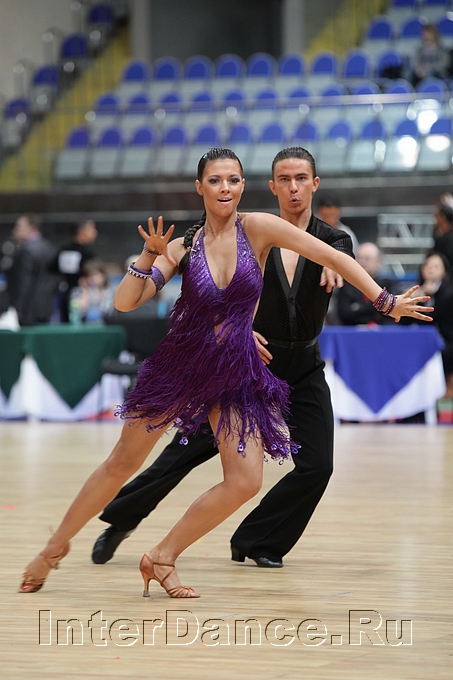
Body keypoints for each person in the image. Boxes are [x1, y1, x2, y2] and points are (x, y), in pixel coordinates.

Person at [19, 148, 432, 598]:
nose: (225, 188)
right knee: (124, 461)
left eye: (233, 180)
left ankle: (162, 556)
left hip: (232, 370)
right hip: (181, 366)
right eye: (215, 180)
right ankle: (52, 550)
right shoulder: (183, 246)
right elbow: (125, 302)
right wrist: (147, 256)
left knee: (245, 480)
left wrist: (385, 301)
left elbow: (332, 255)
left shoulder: (258, 228)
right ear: (200, 187)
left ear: (243, 186)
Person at [91, 146, 354, 569]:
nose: (293, 188)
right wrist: (236, 333)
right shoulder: (251, 233)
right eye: (284, 180)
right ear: (271, 186)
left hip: (303, 367)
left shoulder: (332, 238)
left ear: (315, 184)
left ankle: (258, 540)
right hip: (242, 366)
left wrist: (340, 269)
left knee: (318, 465)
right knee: (181, 454)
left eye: (301, 179)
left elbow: (339, 258)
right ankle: (121, 519)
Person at [402, 252, 453, 398]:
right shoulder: (416, 291)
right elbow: (404, 321)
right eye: (427, 266)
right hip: (422, 341)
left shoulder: (448, 293)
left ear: (444, 271)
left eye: (436, 266)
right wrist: (412, 299)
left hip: (446, 341)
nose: (430, 269)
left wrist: (422, 299)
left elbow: (431, 319)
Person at [6, 214, 59, 326]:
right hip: (46, 307)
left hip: (28, 309)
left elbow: (23, 281)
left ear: (32, 228)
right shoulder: (50, 247)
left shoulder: (26, 251)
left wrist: (19, 308)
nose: (15, 230)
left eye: (19, 227)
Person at [337, 242, 397, 326]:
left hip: (383, 330)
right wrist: (378, 307)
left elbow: (392, 313)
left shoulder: (389, 284)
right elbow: (344, 313)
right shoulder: (346, 285)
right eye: (359, 258)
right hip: (353, 330)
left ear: (378, 262)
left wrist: (358, 307)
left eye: (367, 259)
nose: (362, 262)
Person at [50, 219, 98, 322]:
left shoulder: (63, 250)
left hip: (64, 294)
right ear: (81, 231)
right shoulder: (87, 254)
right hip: (77, 296)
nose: (95, 233)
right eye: (91, 229)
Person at [69, 259, 115, 324]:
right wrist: (85, 291)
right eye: (89, 276)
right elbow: (76, 312)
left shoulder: (110, 291)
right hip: (85, 327)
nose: (92, 278)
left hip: (107, 326)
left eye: (95, 274)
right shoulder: (77, 291)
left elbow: (109, 311)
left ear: (103, 275)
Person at [432, 201, 453, 277]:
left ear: (443, 217)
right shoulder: (437, 233)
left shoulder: (449, 237)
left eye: (437, 215)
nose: (435, 217)